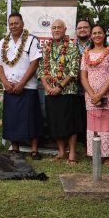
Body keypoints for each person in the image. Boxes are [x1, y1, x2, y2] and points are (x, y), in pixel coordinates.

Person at [0, 12, 43, 158]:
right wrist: (5, 83)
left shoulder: (32, 40)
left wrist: (22, 83)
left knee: (31, 119)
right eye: (11, 24)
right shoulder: (3, 43)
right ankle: (15, 149)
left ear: (22, 24)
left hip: (27, 87)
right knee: (12, 119)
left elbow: (35, 63)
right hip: (9, 87)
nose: (13, 26)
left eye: (16, 23)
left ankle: (34, 150)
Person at [39, 20, 81, 164]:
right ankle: (62, 151)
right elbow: (41, 69)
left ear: (65, 29)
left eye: (59, 28)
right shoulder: (46, 47)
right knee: (54, 122)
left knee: (70, 123)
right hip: (50, 91)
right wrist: (47, 87)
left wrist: (60, 87)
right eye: (54, 28)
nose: (56, 30)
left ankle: (72, 153)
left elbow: (74, 70)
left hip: (67, 91)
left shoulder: (72, 46)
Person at [81, 24, 109, 165]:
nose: (97, 35)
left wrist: (101, 94)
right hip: (91, 96)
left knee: (107, 126)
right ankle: (95, 154)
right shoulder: (86, 54)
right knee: (93, 126)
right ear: (91, 36)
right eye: (94, 33)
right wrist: (93, 95)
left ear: (104, 35)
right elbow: (83, 77)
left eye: (99, 33)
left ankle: (108, 156)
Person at [73, 18, 92, 143]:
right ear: (76, 31)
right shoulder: (71, 46)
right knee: (78, 113)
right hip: (75, 86)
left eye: (85, 27)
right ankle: (82, 141)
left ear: (90, 30)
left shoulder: (98, 43)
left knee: (92, 114)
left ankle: (91, 142)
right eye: (80, 28)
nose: (82, 30)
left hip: (93, 85)